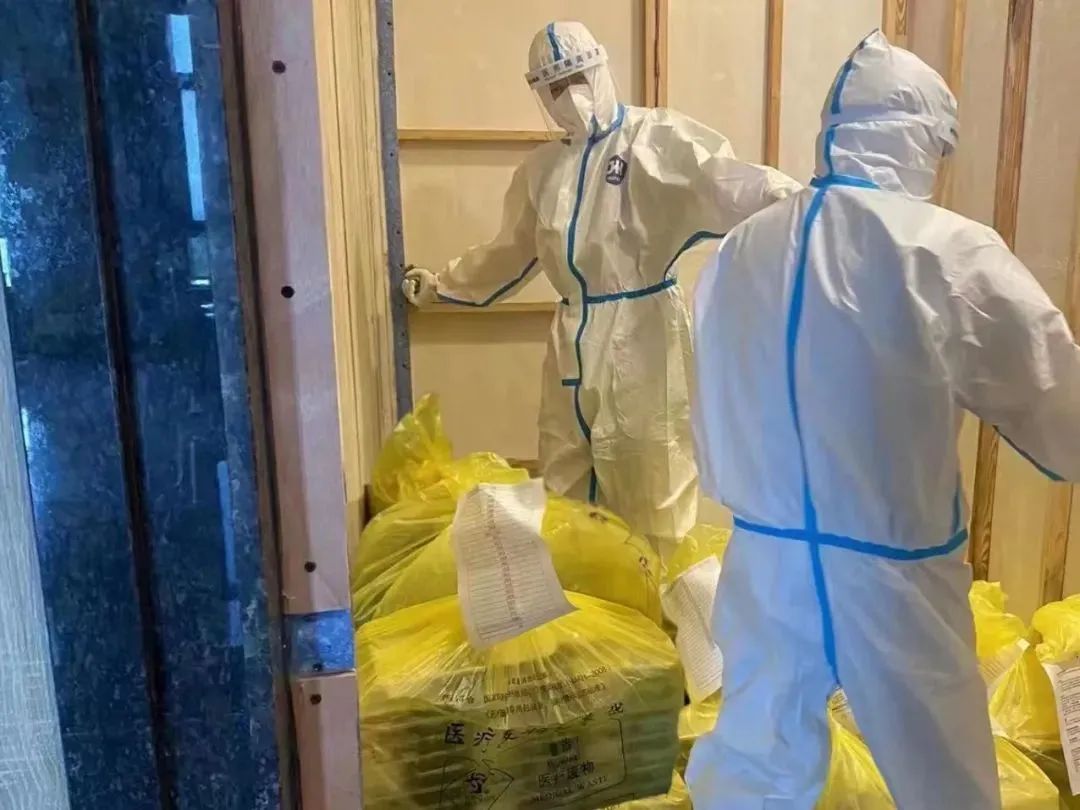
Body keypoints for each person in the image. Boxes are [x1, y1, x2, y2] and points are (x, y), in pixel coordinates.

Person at [687, 29, 1080, 809]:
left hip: (766, 556)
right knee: (943, 770)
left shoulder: (742, 248)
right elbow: (1053, 396)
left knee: (755, 760)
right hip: (894, 567)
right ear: (918, 139)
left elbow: (710, 389)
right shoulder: (946, 250)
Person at [402, 21, 800, 545]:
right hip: (572, 336)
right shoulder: (543, 170)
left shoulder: (655, 138)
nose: (569, 96)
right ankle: (585, 592)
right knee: (565, 478)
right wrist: (440, 286)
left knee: (653, 479)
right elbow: (509, 253)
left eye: (578, 78)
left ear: (600, 68)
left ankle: (657, 595)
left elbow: (726, 180)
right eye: (554, 87)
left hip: (645, 333)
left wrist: (797, 203)